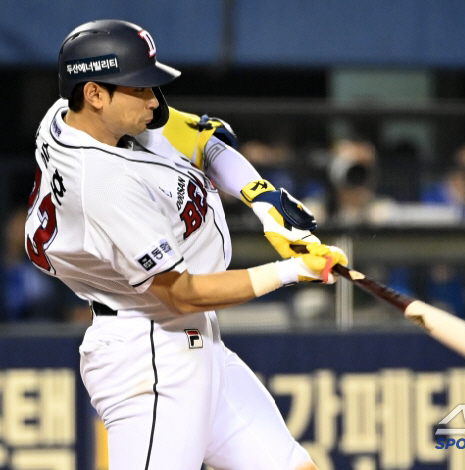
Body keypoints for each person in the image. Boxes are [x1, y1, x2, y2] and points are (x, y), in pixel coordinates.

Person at [25, 20, 347, 470]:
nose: (154, 100)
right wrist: (294, 270)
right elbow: (181, 293)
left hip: (191, 342)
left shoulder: (73, 115)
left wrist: (261, 197)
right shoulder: (102, 184)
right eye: (138, 88)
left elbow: (203, 139)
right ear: (95, 93)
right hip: (150, 350)